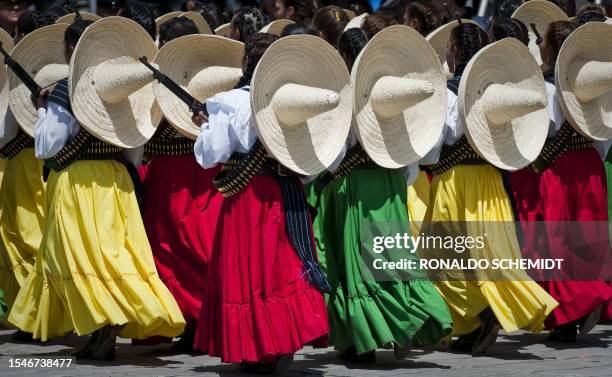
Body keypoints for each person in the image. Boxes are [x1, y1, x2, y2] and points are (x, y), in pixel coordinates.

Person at [8, 18, 185, 360]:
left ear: (71, 49)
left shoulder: (63, 90)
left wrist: (43, 109)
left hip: (75, 181)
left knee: (74, 255)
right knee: (115, 255)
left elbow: (47, 146)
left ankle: (102, 319)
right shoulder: (119, 90)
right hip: (117, 179)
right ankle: (109, 317)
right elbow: (134, 144)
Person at [312, 27, 453, 363]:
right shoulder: (392, 94)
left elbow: (332, 155)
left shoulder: (345, 97)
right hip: (390, 182)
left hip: (354, 186)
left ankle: (365, 333)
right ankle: (406, 316)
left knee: (354, 262)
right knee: (392, 253)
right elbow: (416, 156)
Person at [192, 33, 329, 373]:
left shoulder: (229, 102)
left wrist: (205, 126)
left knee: (249, 272)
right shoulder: (290, 103)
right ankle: (281, 340)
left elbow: (212, 155)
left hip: (248, 196)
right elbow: (310, 159)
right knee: (282, 268)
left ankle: (257, 346)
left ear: (245, 64)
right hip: (286, 193)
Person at [420, 21, 558, 355]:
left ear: (454, 51)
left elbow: (434, 146)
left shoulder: (449, 92)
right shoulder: (496, 92)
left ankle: (480, 314)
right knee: (492, 256)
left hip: (455, 182)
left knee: (440, 258)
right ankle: (473, 325)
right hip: (491, 182)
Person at [509, 20, 612, 343]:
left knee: (555, 243)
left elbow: (541, 132)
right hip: (590, 166)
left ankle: (574, 308)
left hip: (559, 170)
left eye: (542, 43)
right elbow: (603, 136)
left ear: (552, 50)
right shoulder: (592, 90)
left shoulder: (549, 89)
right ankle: (588, 298)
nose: (537, 45)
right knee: (588, 241)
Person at [137, 15, 222, 351]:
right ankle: (199, 321)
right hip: (204, 169)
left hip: (170, 174)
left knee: (174, 246)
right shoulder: (214, 79)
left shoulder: (157, 81)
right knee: (199, 242)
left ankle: (191, 321)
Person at [0, 13, 46, 339]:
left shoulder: (18, 75)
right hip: (49, 163)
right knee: (40, 234)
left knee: (23, 236)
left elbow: (5, 131)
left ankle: (34, 314)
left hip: (21, 163)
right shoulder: (59, 72)